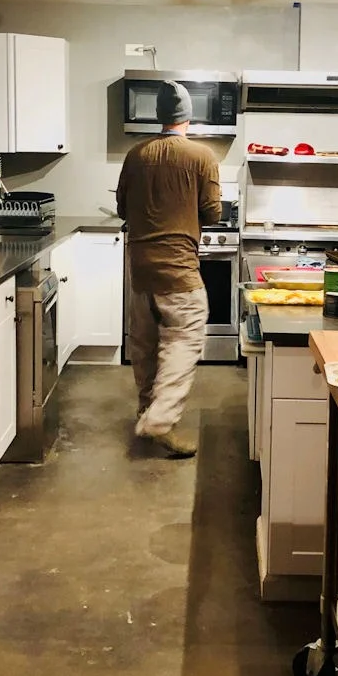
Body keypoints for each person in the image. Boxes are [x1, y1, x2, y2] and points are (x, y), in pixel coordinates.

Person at [116, 81, 221, 458]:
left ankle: (146, 412)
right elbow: (213, 212)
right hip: (178, 268)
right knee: (184, 339)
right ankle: (160, 420)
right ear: (188, 116)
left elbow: (122, 209)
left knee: (144, 345)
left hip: (140, 268)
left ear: (158, 115)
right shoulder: (201, 155)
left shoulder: (135, 155)